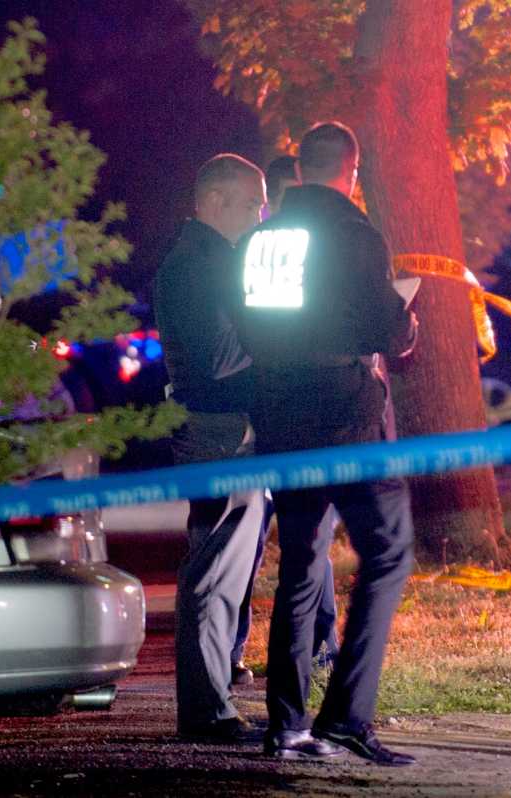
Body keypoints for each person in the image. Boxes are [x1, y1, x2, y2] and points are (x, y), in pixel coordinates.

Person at [235, 121, 418, 765]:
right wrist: (406, 317)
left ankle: (287, 724)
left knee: (302, 565)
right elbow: (388, 332)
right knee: (390, 553)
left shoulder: (259, 240)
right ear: (352, 171)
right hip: (346, 415)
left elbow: (248, 319)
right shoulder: (355, 234)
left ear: (302, 167)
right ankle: (345, 715)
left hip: (282, 415)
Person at [154, 153, 268, 741]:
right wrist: (274, 338)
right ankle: (206, 709)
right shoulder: (199, 266)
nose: (261, 214)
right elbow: (219, 360)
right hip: (219, 430)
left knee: (225, 566)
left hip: (220, 427)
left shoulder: (204, 260)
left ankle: (214, 697)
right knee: (214, 568)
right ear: (217, 201)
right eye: (254, 202)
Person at [229, 154, 340, 687]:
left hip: (279, 409)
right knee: (273, 543)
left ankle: (318, 647)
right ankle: (294, 657)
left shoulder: (262, 248)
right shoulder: (287, 251)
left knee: (305, 540)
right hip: (289, 412)